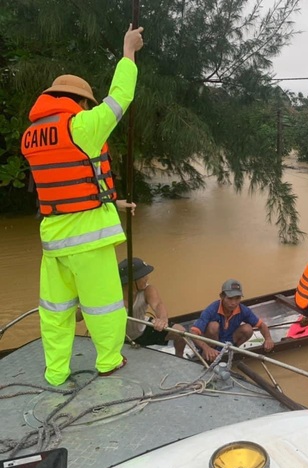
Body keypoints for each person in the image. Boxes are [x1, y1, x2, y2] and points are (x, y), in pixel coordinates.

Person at [20, 25, 144, 385]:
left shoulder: (31, 136)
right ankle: (109, 360)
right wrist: (128, 51)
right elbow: (121, 96)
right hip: (88, 241)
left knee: (55, 312)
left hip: (53, 240)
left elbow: (66, 182)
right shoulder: (81, 126)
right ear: (81, 102)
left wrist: (112, 201)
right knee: (104, 307)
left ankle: (56, 372)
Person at [190, 279, 274, 362]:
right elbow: (193, 332)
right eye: (230, 298)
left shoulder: (243, 310)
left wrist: (268, 339)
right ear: (222, 296)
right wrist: (206, 348)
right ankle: (208, 353)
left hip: (229, 340)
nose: (233, 303)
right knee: (213, 326)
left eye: (237, 298)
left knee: (248, 328)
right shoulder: (211, 310)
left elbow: (261, 325)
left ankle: (232, 350)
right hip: (212, 343)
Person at [118, 258, 186, 358]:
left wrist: (162, 320)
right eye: (143, 276)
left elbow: (158, 304)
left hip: (142, 329)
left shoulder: (147, 290)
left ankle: (180, 358)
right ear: (132, 281)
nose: (147, 278)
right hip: (121, 339)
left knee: (181, 333)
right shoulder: (113, 297)